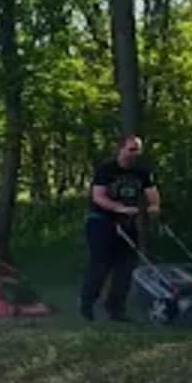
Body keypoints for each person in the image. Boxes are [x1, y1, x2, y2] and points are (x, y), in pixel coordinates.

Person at [80, 134, 161, 322]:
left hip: (128, 223)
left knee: (126, 267)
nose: (135, 154)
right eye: (132, 149)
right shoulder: (106, 169)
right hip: (101, 222)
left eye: (138, 149)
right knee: (100, 265)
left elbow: (152, 192)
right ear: (121, 149)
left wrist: (154, 207)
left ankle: (116, 309)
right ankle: (87, 305)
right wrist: (121, 208)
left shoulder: (142, 171)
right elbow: (98, 196)